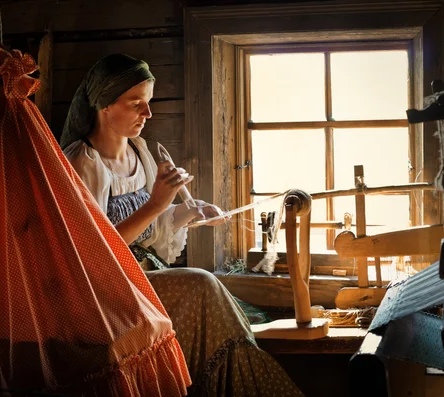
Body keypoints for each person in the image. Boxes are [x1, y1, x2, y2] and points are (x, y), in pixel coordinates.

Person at [61, 53, 303, 396]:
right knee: (200, 284)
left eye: (149, 102)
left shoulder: (139, 152)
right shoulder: (83, 163)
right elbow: (95, 252)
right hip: (105, 289)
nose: (148, 113)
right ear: (104, 105)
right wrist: (159, 201)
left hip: (142, 273)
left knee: (216, 298)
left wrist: (188, 211)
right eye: (136, 104)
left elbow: (152, 229)